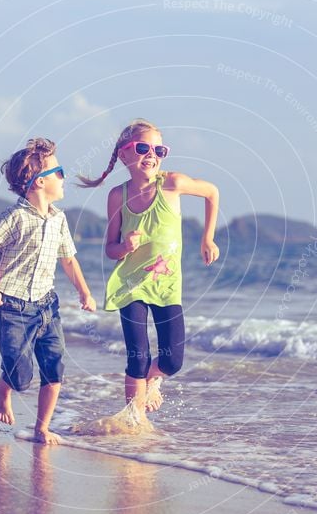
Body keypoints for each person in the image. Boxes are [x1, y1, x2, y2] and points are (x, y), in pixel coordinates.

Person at [79, 119, 220, 414]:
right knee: (138, 358)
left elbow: (211, 192)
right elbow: (110, 250)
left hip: (167, 286)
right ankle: (134, 420)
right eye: (143, 148)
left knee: (172, 361)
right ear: (124, 155)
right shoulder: (118, 196)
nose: (151, 154)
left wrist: (207, 238)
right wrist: (126, 247)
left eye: (159, 149)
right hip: (130, 285)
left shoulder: (173, 183)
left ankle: (154, 380)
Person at [0, 138, 96, 444]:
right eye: (60, 171)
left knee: (54, 370)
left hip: (47, 306)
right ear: (40, 182)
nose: (64, 177)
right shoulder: (15, 217)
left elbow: (68, 259)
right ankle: (4, 386)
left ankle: (42, 427)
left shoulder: (59, 219)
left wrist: (84, 292)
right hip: (13, 307)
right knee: (21, 375)